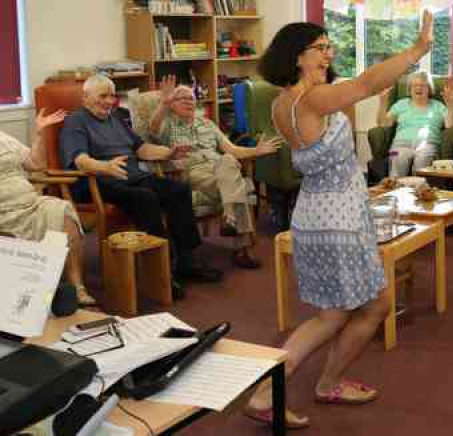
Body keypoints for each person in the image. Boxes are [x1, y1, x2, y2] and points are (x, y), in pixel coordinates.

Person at [243, 13, 433, 429]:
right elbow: (366, 84)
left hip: (317, 212)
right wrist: (416, 51)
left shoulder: (283, 104)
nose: (329, 53)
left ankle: (320, 383)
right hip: (336, 219)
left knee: (346, 310)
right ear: (297, 57)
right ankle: (272, 393)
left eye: (330, 45)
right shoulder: (311, 100)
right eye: (321, 47)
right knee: (349, 312)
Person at [59, 74, 222, 295]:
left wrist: (169, 152)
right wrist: (105, 166)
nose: (109, 101)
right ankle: (161, 271)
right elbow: (79, 159)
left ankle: (187, 261)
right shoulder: (76, 121)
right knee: (146, 197)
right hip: (96, 181)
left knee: (178, 190)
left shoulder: (114, 117)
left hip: (131, 177)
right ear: (85, 97)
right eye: (103, 96)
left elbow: (141, 149)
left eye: (112, 96)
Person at [148, 77, 281, 269]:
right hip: (192, 172)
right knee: (239, 185)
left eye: (191, 98)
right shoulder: (168, 124)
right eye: (181, 99)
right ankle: (241, 249)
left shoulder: (208, 124)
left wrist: (257, 151)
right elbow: (152, 128)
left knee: (227, 160)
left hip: (219, 170)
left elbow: (232, 149)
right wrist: (163, 103)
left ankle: (229, 216)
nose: (188, 101)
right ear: (171, 105)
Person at [0, 109, 95, 305]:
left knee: (62, 211)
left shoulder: (4, 139)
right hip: (4, 210)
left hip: (30, 203)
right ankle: (32, 294)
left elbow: (37, 164)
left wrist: (40, 132)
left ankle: (76, 286)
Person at [377, 71, 453, 177]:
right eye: (415, 85)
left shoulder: (438, 106)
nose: (418, 88)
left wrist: (450, 103)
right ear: (410, 89)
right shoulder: (401, 104)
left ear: (429, 89)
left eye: (423, 85)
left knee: (422, 163)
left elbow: (450, 125)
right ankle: (396, 191)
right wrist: (383, 102)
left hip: (428, 144)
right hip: (400, 144)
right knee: (397, 159)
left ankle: (417, 192)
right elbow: (383, 123)